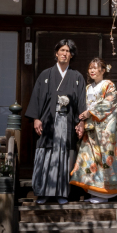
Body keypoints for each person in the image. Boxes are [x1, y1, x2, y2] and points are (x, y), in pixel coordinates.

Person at [25, 39, 87, 205]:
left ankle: (61, 193)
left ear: (71, 55)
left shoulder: (77, 77)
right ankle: (43, 192)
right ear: (56, 53)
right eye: (62, 50)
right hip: (48, 123)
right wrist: (36, 118)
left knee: (64, 158)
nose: (64, 53)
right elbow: (36, 98)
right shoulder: (45, 75)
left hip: (67, 124)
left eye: (67, 51)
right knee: (45, 157)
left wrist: (81, 122)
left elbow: (82, 102)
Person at [69, 58, 117, 203]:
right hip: (91, 129)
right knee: (89, 160)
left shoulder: (108, 85)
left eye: (95, 68)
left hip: (104, 130)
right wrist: (82, 121)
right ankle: (94, 193)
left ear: (103, 71)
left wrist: (90, 113)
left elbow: (111, 102)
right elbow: (83, 107)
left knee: (103, 161)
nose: (91, 70)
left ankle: (105, 194)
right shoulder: (87, 88)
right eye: (90, 68)